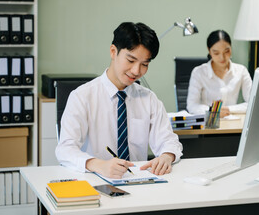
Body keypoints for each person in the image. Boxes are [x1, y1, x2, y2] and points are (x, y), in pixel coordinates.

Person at [55, 22, 183, 179]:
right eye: (130, 60)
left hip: (138, 181)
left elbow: (169, 141)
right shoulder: (82, 97)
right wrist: (98, 164)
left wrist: (166, 156)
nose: (136, 71)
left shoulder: (149, 99)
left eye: (144, 64)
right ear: (113, 51)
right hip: (95, 181)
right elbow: (65, 149)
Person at [186, 30, 252, 117]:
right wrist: (213, 111)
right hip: (208, 126)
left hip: (232, 124)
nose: (222, 57)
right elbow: (192, 106)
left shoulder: (241, 70)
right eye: (216, 53)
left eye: (226, 51)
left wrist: (228, 110)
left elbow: (253, 103)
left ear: (231, 48)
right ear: (209, 51)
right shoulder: (198, 72)